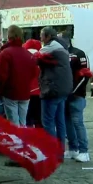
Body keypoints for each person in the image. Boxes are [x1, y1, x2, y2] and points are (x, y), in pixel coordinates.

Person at [0, 25, 37, 167]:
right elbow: (33, 73)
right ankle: (24, 151)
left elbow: (2, 76)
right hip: (24, 93)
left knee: (13, 123)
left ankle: (17, 155)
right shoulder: (28, 54)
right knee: (22, 123)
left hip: (10, 93)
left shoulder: (6, 53)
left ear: (10, 36)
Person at [35, 27, 73, 157]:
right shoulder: (63, 46)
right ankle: (60, 151)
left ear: (48, 36)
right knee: (60, 121)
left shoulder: (51, 47)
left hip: (52, 89)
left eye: (41, 35)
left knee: (48, 122)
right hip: (63, 89)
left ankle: (50, 152)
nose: (40, 38)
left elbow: (35, 56)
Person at [61, 32, 91, 162]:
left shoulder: (79, 54)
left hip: (76, 94)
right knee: (67, 122)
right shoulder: (59, 54)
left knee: (77, 122)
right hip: (63, 94)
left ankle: (84, 151)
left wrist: (74, 90)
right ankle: (73, 149)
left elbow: (85, 75)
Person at [23, 39, 43, 127]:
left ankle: (29, 138)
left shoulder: (23, 56)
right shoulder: (42, 57)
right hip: (39, 91)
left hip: (26, 91)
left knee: (28, 118)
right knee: (39, 119)